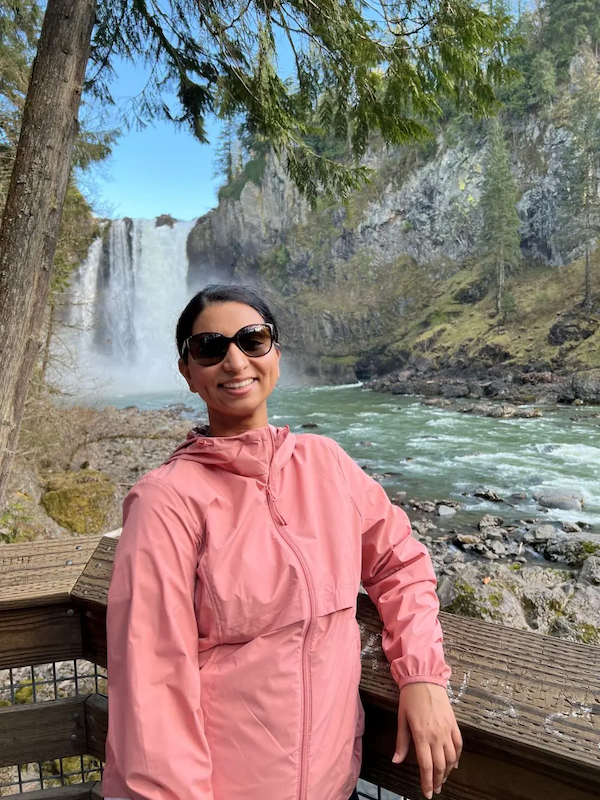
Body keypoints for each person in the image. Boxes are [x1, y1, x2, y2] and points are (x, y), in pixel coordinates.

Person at [104, 284, 462, 800]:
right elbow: (151, 685)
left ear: (275, 353)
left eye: (252, 340)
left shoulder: (327, 464)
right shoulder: (166, 501)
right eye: (210, 348)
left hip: (335, 785)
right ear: (187, 371)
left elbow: (399, 563)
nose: (234, 361)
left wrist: (422, 676)